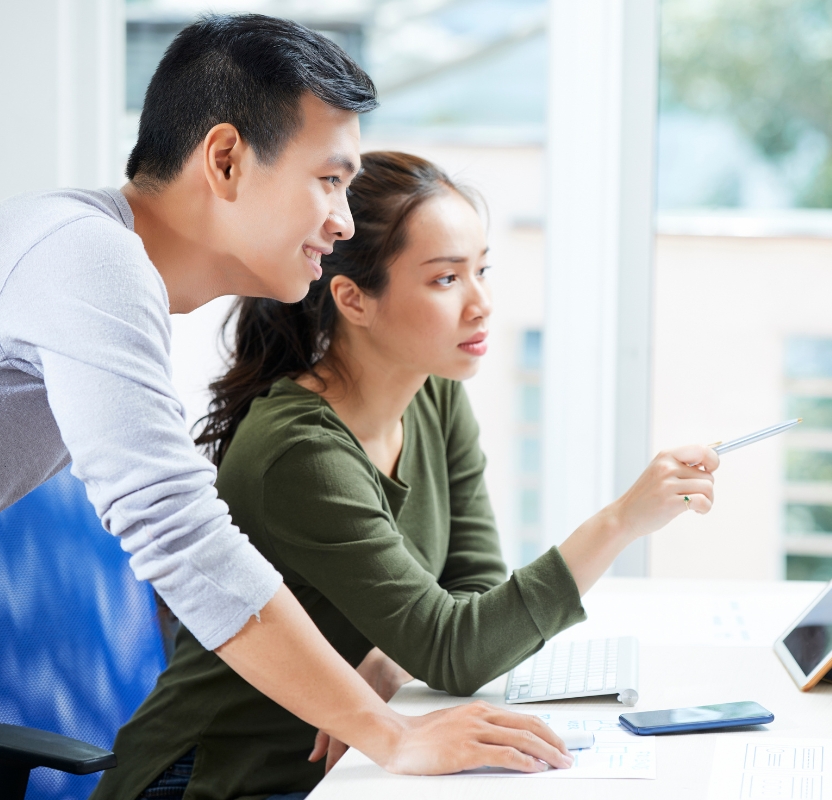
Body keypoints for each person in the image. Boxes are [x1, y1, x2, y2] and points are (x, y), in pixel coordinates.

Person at [0, 13, 575, 777]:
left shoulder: (97, 265)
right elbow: (177, 532)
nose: (341, 221)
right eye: (329, 180)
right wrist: (390, 733)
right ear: (228, 160)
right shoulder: (88, 261)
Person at [94, 151, 721, 800]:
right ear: (353, 299)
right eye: (446, 279)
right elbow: (462, 649)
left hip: (346, 768)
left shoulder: (435, 396)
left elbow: (471, 592)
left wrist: (397, 657)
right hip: (215, 780)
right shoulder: (300, 454)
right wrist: (620, 522)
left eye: (481, 270)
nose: (481, 304)